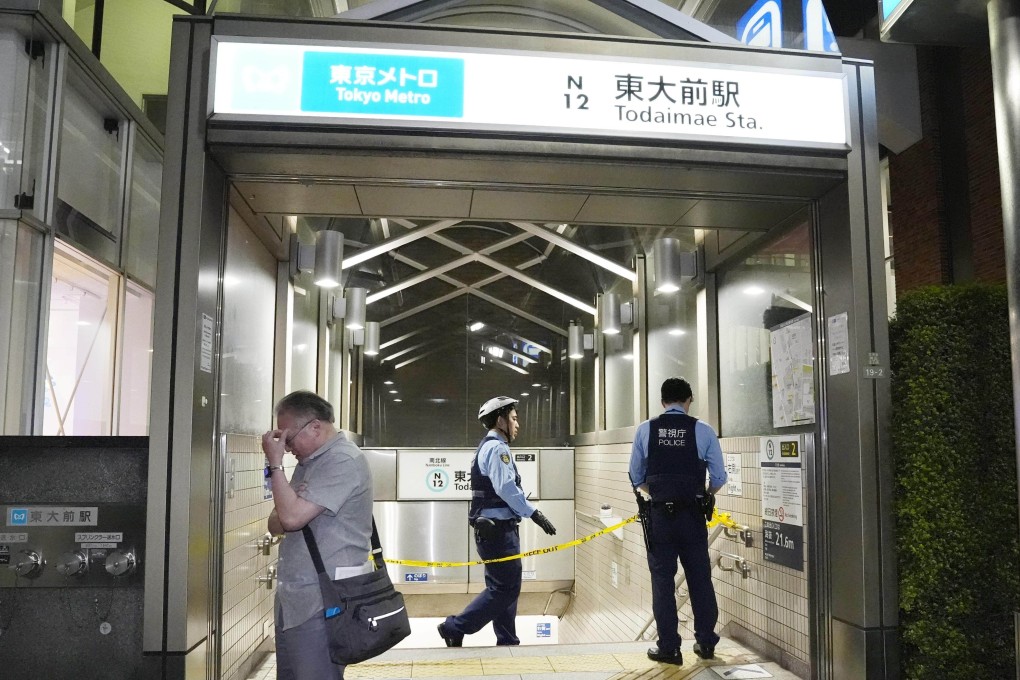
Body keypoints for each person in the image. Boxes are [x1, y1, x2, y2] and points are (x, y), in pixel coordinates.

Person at [262, 390, 374, 680]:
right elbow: (275, 523)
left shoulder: (342, 461)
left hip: (324, 600)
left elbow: (289, 517)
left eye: (289, 438)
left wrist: (274, 465)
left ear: (315, 426)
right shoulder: (310, 462)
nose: (286, 448)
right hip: (298, 596)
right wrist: (288, 509)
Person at [437, 395, 558, 647]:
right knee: (504, 589)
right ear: (500, 420)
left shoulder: (489, 446)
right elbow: (505, 487)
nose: (517, 424)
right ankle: (454, 627)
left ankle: (507, 638)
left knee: (505, 587)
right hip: (498, 531)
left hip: (496, 529)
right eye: (513, 418)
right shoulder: (497, 448)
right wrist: (534, 514)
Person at [629, 377, 727, 665]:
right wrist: (705, 494)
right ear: (689, 401)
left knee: (662, 581)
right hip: (693, 516)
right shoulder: (703, 430)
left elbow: (636, 477)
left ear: (662, 402)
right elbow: (719, 477)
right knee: (700, 578)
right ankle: (706, 642)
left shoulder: (646, 430)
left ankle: (669, 648)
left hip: (659, 517)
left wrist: (658, 493)